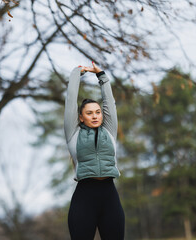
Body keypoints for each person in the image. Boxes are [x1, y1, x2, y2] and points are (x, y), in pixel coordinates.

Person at [64, 62, 125, 240]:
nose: (95, 115)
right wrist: (77, 73)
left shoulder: (109, 130)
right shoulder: (73, 134)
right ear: (81, 117)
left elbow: (110, 103)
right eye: (89, 113)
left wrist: (102, 77)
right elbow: (70, 101)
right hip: (84, 198)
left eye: (98, 112)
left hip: (109, 196)